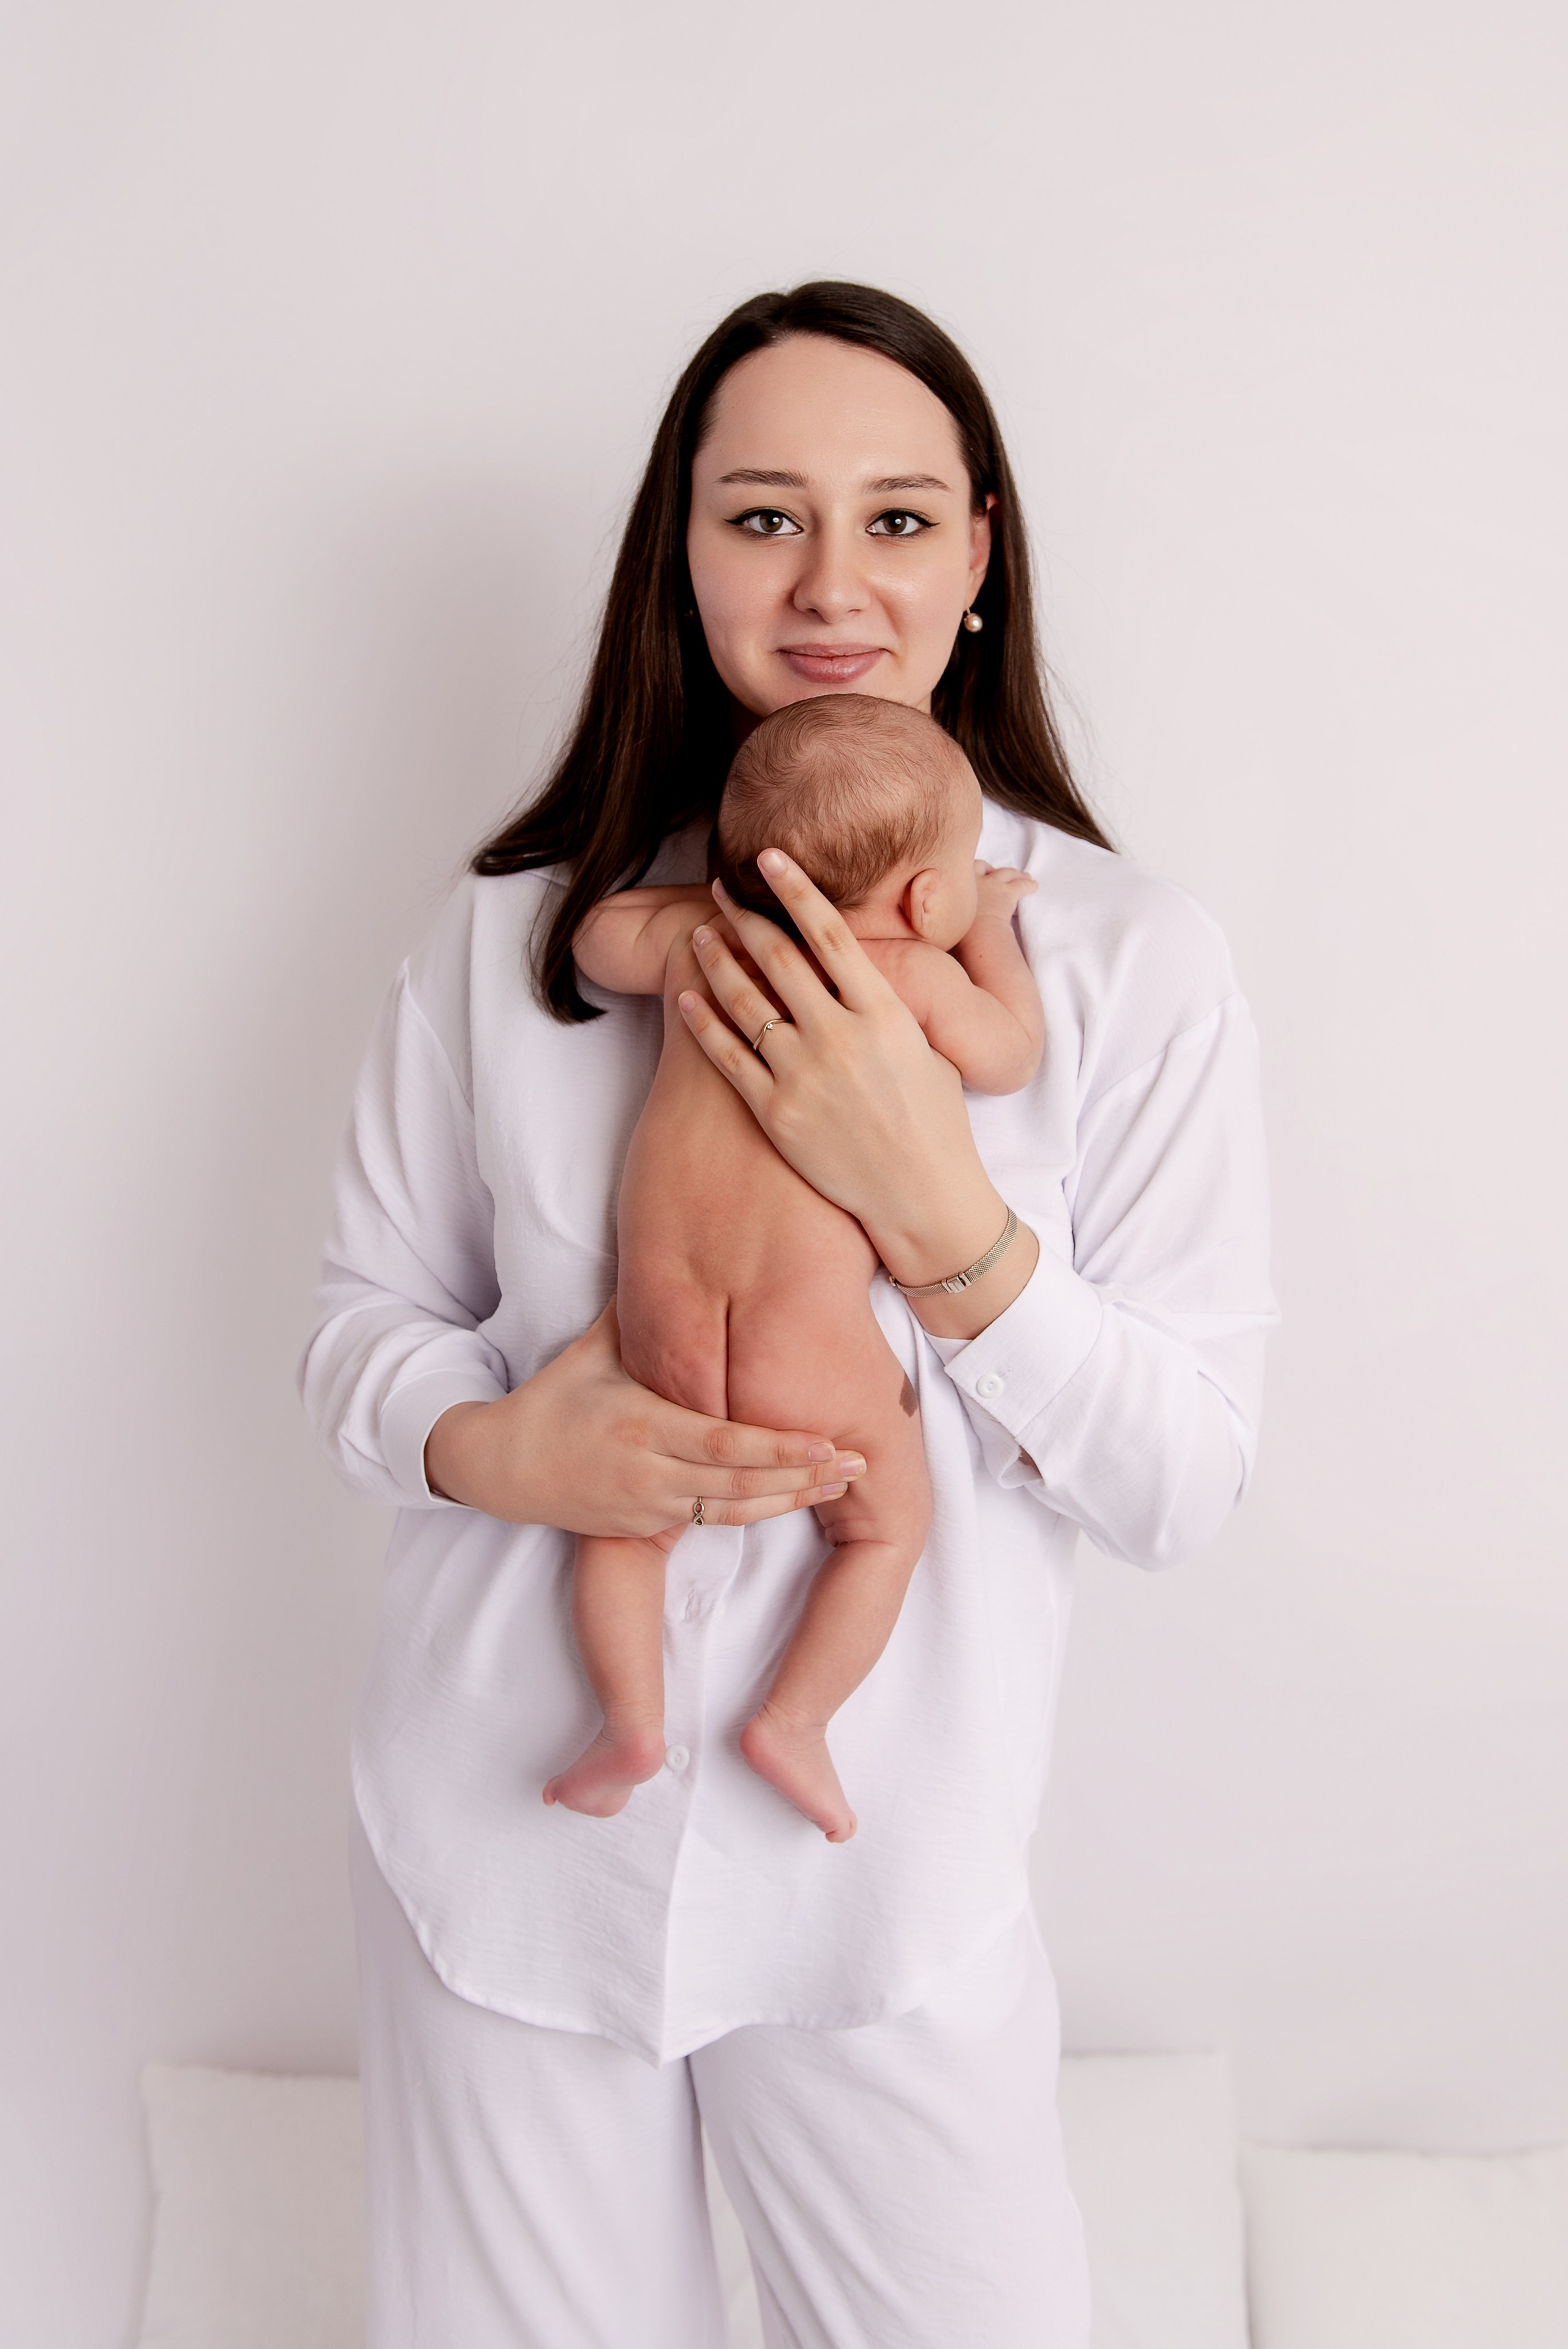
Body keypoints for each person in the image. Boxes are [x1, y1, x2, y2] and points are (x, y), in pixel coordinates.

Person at [301, 280, 1275, 2349]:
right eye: (764, 518)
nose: (833, 581)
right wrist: (498, 1445)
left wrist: (946, 1216)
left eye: (900, 519)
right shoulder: (537, 939)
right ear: (684, 552)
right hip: (504, 1829)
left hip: (883, 1876)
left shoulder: (1100, 959)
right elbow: (358, 1332)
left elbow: (1181, 1479)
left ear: (985, 555)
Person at [545, 695, 1044, 1841]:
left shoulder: (702, 945)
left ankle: (627, 1722)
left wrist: (726, 902)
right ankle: (795, 1722)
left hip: (654, 1330)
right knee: (881, 1529)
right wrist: (990, 934)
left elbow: (594, 935)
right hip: (802, 1345)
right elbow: (1010, 1058)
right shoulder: (911, 971)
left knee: (622, 1523)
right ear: (928, 894)